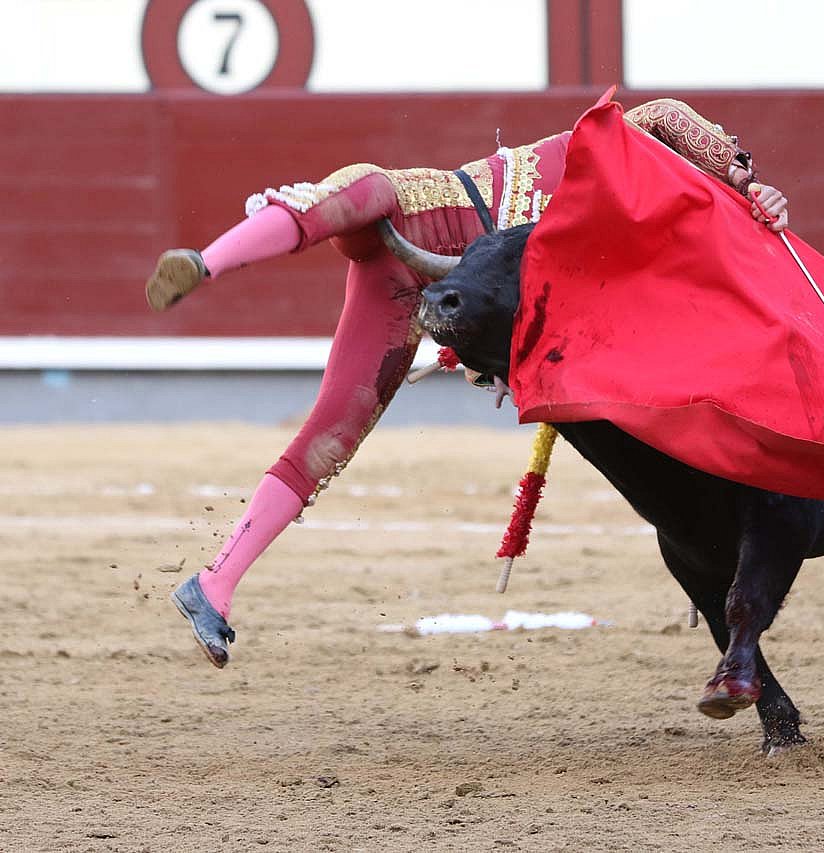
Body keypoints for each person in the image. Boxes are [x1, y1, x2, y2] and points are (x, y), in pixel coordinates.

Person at [155, 97, 791, 669]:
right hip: (412, 209)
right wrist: (742, 178)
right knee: (329, 204)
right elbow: (670, 119)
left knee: (329, 440)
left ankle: (214, 585)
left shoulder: (642, 238)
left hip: (426, 291)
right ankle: (205, 263)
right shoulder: (630, 142)